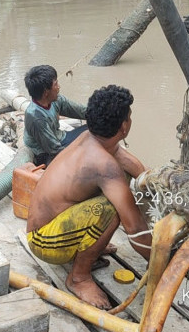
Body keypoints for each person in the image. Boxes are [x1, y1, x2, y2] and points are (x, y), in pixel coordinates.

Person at [26, 85, 150, 310]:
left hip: (48, 227)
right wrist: (161, 260)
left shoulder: (90, 138)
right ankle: (78, 278)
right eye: (129, 117)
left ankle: (89, 246)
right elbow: (135, 228)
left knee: (116, 190)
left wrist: (153, 181)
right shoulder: (103, 165)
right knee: (111, 209)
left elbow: (128, 161)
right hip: (44, 242)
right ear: (124, 126)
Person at [23, 65, 89, 166]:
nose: (59, 87)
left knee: (94, 128)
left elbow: (82, 111)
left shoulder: (55, 100)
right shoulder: (36, 117)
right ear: (46, 92)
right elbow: (54, 149)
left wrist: (104, 113)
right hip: (45, 153)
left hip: (58, 137)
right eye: (56, 84)